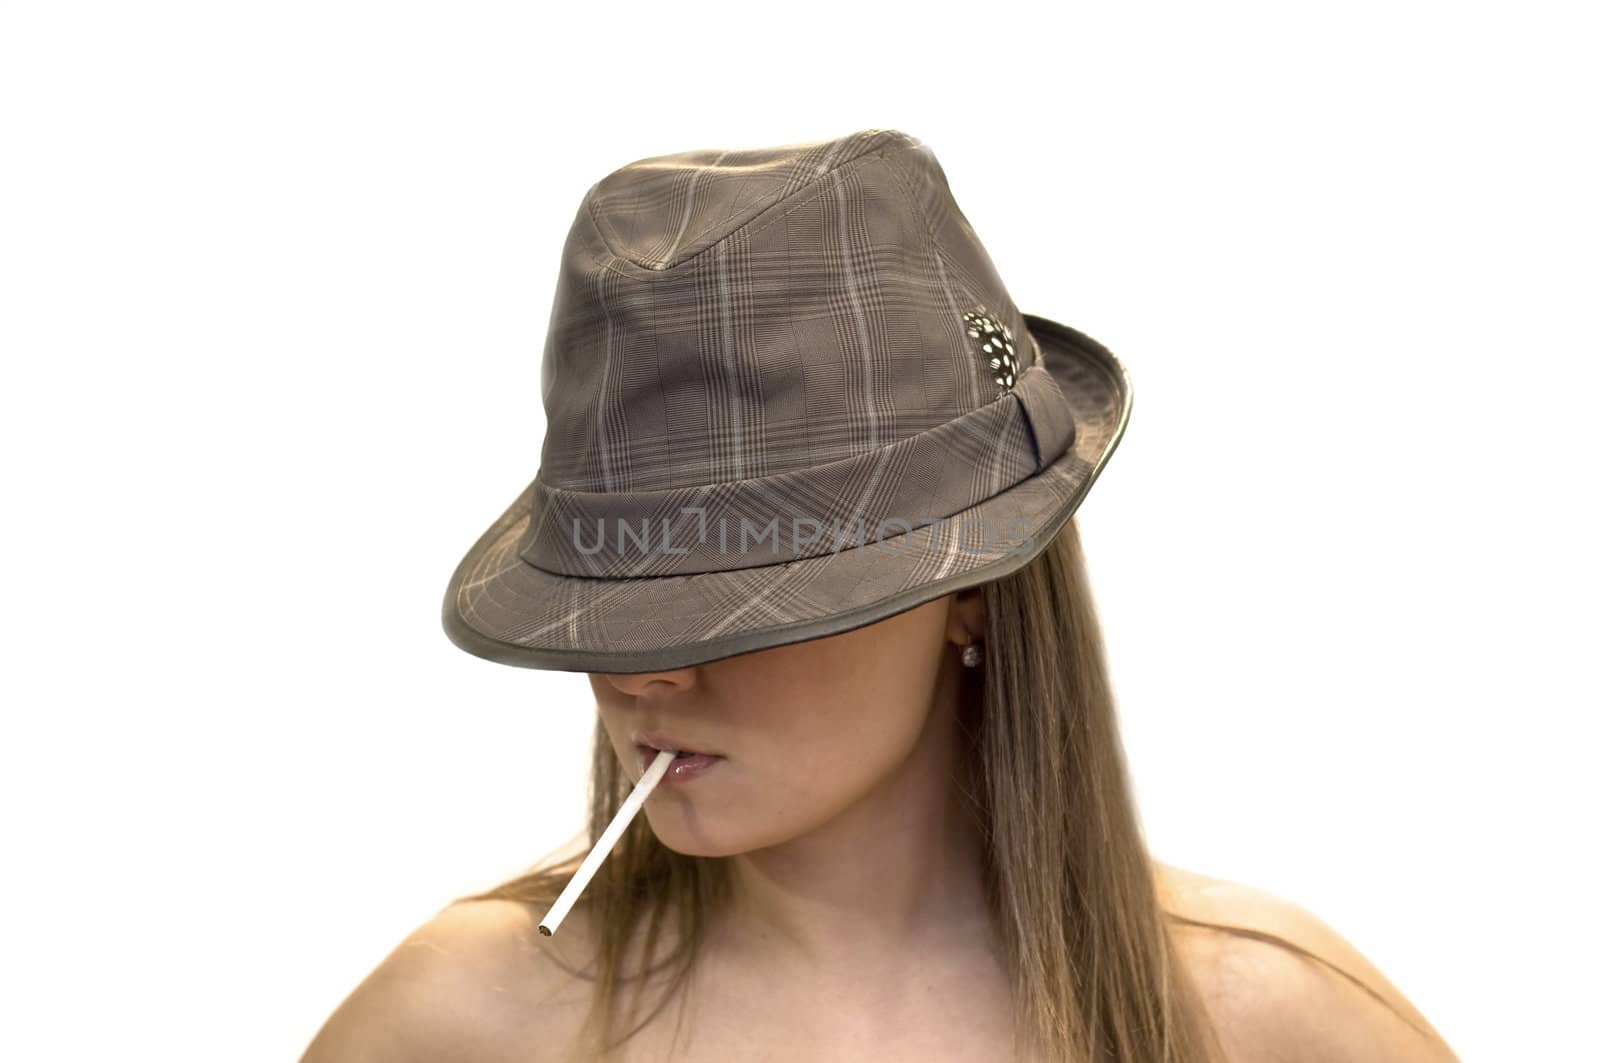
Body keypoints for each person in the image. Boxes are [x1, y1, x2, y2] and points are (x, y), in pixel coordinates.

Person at [298, 128, 1462, 1061]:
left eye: (737, 594)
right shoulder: (463, 1024)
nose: (648, 670)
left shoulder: (1260, 1021)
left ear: (969, 589)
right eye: (619, 595)